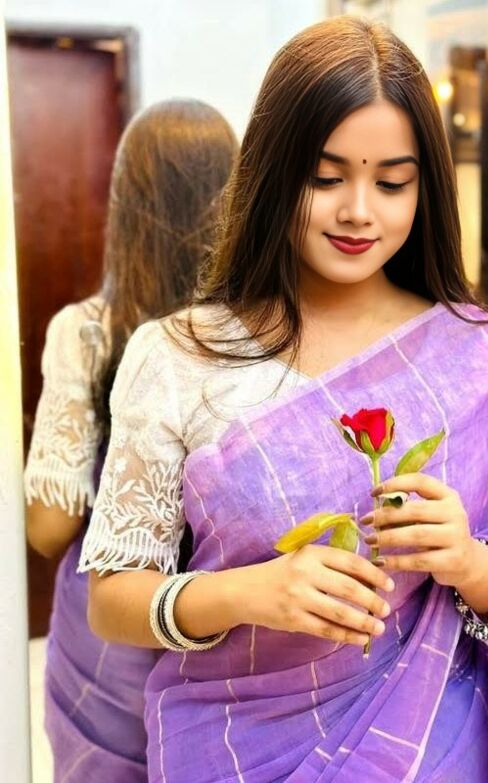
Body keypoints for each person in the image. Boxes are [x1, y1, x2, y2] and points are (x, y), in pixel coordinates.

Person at [79, 18, 488, 782]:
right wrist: (245, 593)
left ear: (424, 187)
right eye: (327, 177)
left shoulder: (483, 361)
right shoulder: (178, 357)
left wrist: (470, 562)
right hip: (232, 749)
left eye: (392, 182)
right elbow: (111, 599)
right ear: (274, 171)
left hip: (441, 753)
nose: (359, 212)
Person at [24, 98, 238, 782]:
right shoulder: (258, 334)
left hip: (109, 639)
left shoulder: (89, 332)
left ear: (126, 204)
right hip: (227, 612)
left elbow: (50, 526)